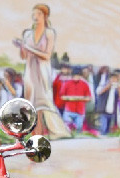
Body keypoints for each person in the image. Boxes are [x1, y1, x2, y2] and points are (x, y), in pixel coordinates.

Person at [13, 3, 70, 139]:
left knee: (44, 103)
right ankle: (36, 136)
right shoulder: (28, 34)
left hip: (43, 72)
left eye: (39, 14)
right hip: (30, 72)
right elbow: (23, 56)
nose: (36, 17)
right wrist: (22, 47)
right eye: (34, 14)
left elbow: (47, 55)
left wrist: (29, 48)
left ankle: (55, 131)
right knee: (32, 105)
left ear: (45, 16)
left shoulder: (49, 33)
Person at [60, 67, 91, 132]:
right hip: (69, 110)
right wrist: (70, 98)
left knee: (79, 129)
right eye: (75, 76)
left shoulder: (85, 84)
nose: (76, 77)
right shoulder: (67, 84)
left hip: (80, 111)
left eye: (78, 76)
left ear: (80, 76)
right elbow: (61, 96)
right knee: (67, 127)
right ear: (72, 76)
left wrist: (80, 98)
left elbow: (89, 97)